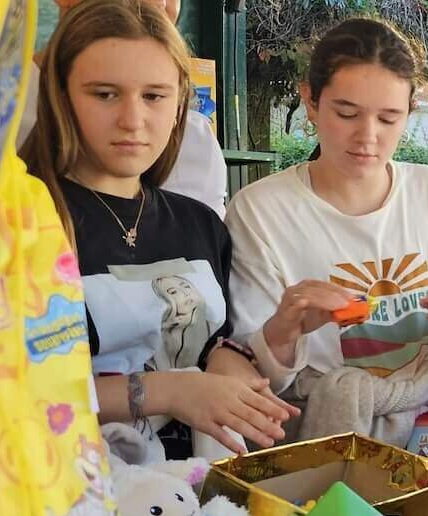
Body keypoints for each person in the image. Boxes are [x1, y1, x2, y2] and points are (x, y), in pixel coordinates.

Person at [226, 18, 428, 447]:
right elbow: (251, 368)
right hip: (309, 428)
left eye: (388, 118)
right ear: (310, 101)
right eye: (347, 113)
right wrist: (284, 328)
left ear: (410, 112)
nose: (368, 136)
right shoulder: (260, 210)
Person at [21, 0, 295, 459]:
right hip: (71, 503)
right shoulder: (24, 224)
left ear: (179, 102)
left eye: (154, 96)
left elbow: (211, 344)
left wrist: (236, 370)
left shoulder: (199, 222)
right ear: (60, 97)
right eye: (105, 94)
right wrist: (167, 392)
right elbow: (19, 392)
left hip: (202, 504)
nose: (133, 119)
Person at [21, 0, 228, 219]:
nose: (161, 3)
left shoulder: (195, 140)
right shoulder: (2, 109)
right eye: (104, 94)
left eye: (153, 96)